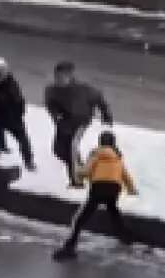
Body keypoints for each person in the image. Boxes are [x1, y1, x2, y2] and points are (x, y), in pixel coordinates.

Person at [53, 131, 137, 260]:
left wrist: (78, 171)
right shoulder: (118, 157)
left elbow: (86, 172)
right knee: (113, 212)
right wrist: (131, 190)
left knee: (79, 219)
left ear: (100, 142)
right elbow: (125, 175)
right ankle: (126, 237)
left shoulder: (96, 154)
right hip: (114, 188)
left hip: (99, 187)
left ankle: (69, 248)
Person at [44, 61, 114, 189]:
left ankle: (77, 181)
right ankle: (80, 166)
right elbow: (50, 105)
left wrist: (106, 115)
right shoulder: (51, 90)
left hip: (80, 121)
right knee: (58, 150)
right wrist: (56, 115)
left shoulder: (83, 89)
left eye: (63, 77)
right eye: (57, 77)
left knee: (72, 147)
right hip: (64, 122)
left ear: (70, 76)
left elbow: (99, 98)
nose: (60, 80)